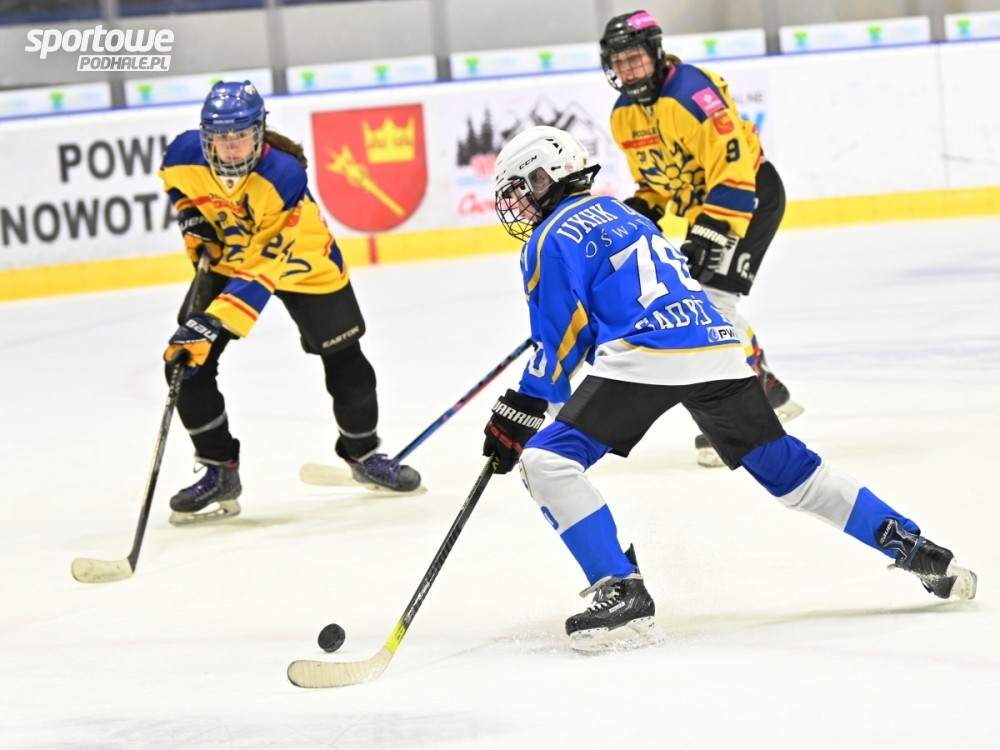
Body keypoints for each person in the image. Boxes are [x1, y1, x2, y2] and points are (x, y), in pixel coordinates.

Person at [482, 125, 976, 652]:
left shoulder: (547, 239)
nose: (518, 204)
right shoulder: (626, 214)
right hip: (716, 345)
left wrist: (523, 409)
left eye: (520, 189)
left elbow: (559, 343)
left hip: (649, 355)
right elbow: (589, 328)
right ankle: (917, 550)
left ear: (545, 177)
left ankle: (621, 590)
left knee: (548, 462)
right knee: (794, 474)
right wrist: (539, 399)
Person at [158, 80, 420, 524]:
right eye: (221, 137)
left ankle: (363, 455)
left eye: (241, 136)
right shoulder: (182, 154)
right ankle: (219, 470)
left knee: (346, 360)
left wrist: (213, 320)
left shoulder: (283, 174)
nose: (231, 146)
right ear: (205, 137)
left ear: (259, 132)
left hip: (302, 261)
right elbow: (177, 187)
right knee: (186, 360)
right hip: (230, 257)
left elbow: (265, 264)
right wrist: (191, 216)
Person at [599, 10, 802, 468]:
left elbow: (734, 166)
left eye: (634, 57)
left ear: (655, 52)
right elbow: (655, 183)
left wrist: (713, 229)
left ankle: (748, 412)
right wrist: (635, 216)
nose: (627, 69)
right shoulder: (623, 115)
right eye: (619, 62)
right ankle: (766, 388)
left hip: (748, 197)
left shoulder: (694, 93)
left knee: (710, 304)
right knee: (703, 302)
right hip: (708, 211)